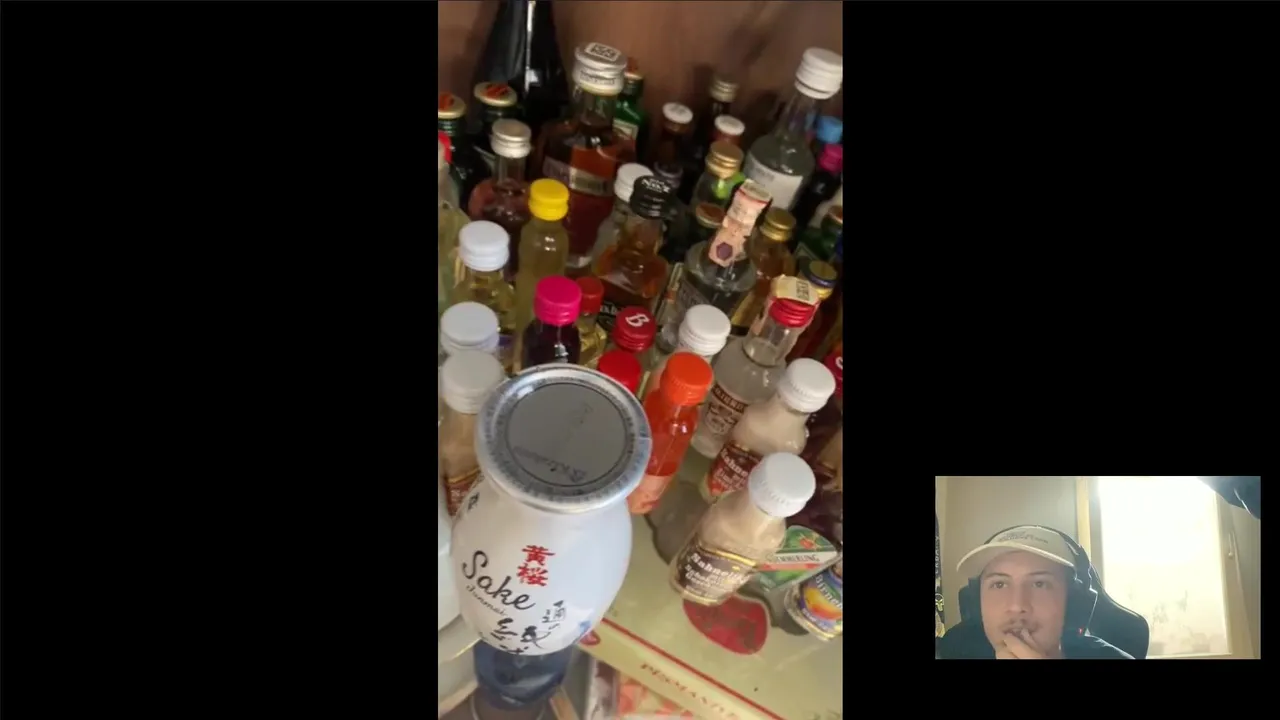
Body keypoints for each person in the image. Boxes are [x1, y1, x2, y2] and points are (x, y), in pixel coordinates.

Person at [943, 526, 1133, 659]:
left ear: (1074, 604)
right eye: (999, 584)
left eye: (1040, 584)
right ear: (977, 603)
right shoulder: (950, 652)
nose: (1016, 606)